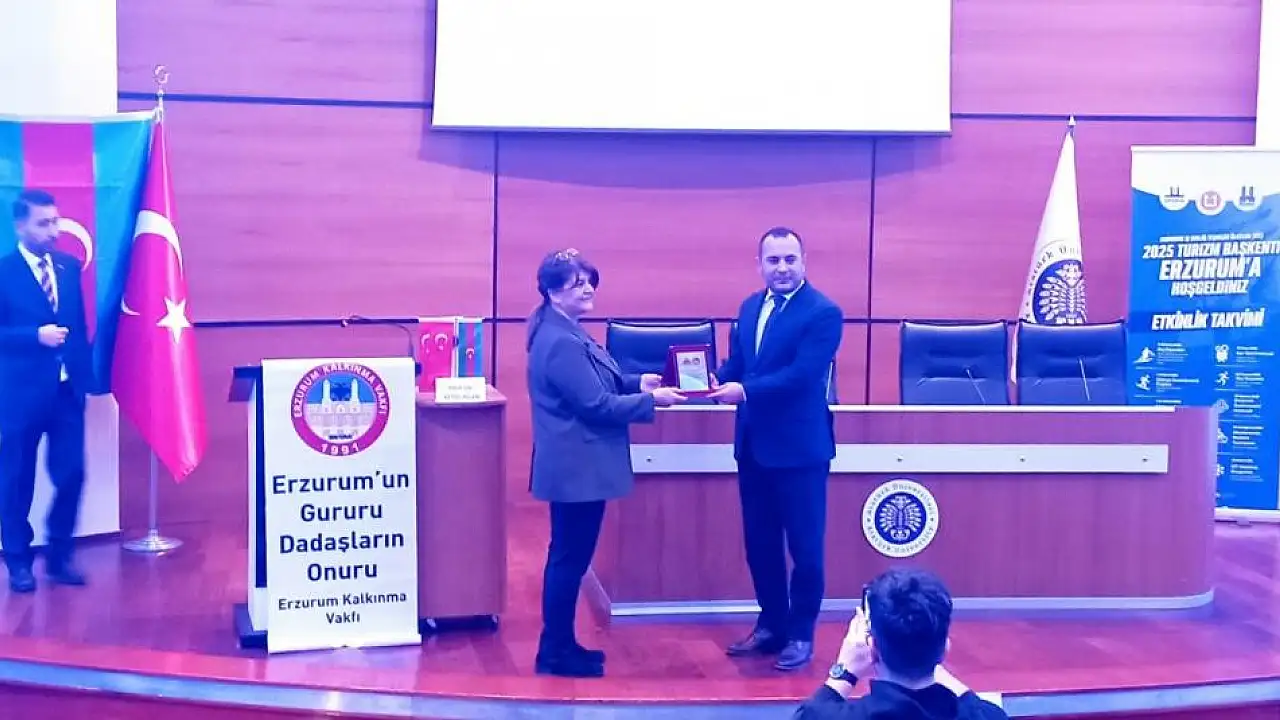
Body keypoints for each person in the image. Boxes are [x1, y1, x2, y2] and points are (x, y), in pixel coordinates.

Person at [525, 248, 686, 677]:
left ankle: (559, 644)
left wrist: (637, 382)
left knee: (569, 558)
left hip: (578, 467)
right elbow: (595, 405)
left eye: (590, 281)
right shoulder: (560, 340)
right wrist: (651, 401)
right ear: (553, 292)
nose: (587, 289)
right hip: (578, 469)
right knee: (569, 560)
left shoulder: (563, 329)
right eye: (577, 283)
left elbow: (596, 382)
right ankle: (554, 652)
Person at [707, 226, 843, 670]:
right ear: (759, 264)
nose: (781, 268)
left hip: (800, 451)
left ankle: (801, 635)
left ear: (803, 262)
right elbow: (739, 364)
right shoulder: (750, 307)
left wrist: (744, 391)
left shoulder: (823, 312)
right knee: (760, 543)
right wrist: (706, 379)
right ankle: (772, 626)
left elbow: (802, 376)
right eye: (773, 260)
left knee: (805, 549)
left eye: (789, 259)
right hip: (753, 448)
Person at [0, 189, 92, 594]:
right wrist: (33, 336)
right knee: (16, 480)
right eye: (43, 224)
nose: (53, 231)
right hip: (19, 396)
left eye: (55, 221)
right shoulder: (4, 272)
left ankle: (59, 556)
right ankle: (19, 561)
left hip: (66, 393)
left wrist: (87, 379)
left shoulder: (69, 267)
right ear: (20, 226)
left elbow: (79, 327)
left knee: (72, 473)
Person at [792, 568, 1009, 719]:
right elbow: (980, 710)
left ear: (872, 648)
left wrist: (844, 672)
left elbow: (808, 715)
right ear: (945, 649)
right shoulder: (987, 715)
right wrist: (927, 652)